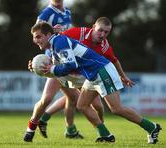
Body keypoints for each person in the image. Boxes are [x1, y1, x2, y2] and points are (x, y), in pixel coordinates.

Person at [30, 21, 162, 143]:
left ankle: (152, 127)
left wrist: (51, 69)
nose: (35, 40)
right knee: (82, 105)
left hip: (101, 71)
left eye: (38, 36)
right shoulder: (55, 44)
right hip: (93, 75)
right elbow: (58, 67)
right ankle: (106, 136)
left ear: (48, 35)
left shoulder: (59, 42)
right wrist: (38, 69)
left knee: (116, 109)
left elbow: (70, 66)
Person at [38, 17, 135, 138]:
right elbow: (55, 41)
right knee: (54, 99)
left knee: (89, 104)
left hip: (81, 73)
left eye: (106, 32)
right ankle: (47, 124)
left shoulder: (104, 45)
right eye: (100, 30)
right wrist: (45, 61)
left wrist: (123, 76)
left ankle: (95, 131)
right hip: (63, 68)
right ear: (93, 27)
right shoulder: (78, 33)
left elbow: (114, 60)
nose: (102, 35)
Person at [23, 0, 104, 142]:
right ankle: (31, 129)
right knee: (47, 99)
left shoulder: (67, 12)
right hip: (54, 62)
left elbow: (67, 36)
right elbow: (38, 35)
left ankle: (71, 130)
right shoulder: (46, 14)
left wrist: (63, 34)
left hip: (69, 61)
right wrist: (39, 61)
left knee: (78, 100)